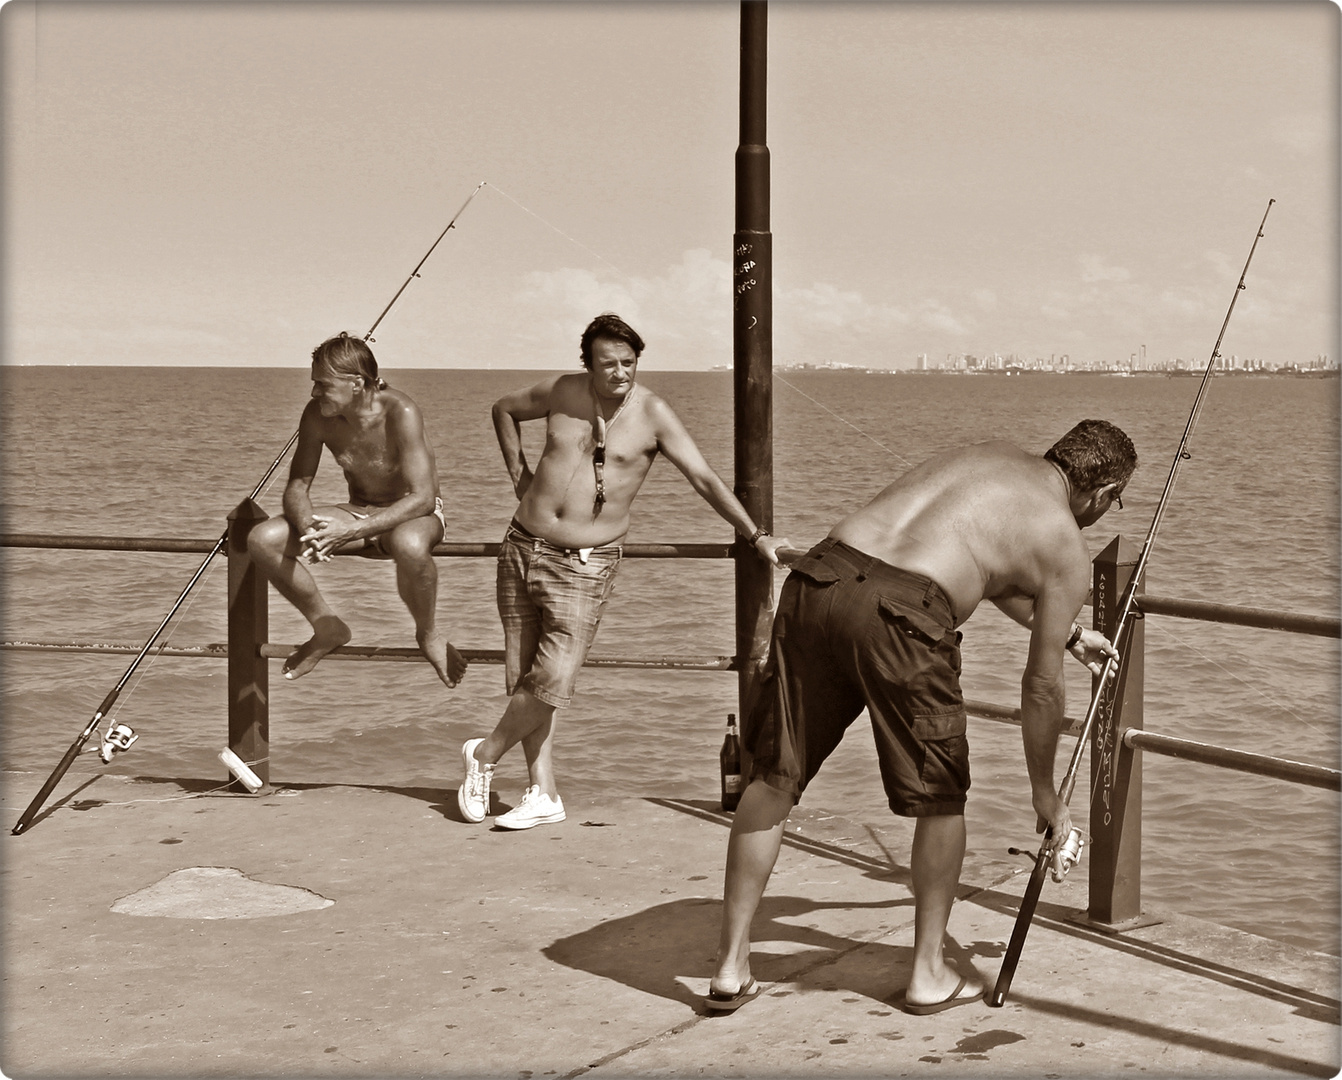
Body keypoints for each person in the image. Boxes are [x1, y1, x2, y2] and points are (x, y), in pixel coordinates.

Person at [706, 419, 1135, 1015]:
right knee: (941, 800)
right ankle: (928, 974)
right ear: (1103, 492)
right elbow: (1040, 689)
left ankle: (730, 968)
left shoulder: (989, 451)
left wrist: (1069, 635)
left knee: (774, 778)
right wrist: (1047, 796)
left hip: (819, 578)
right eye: (1116, 503)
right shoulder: (1065, 541)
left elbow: (979, 567)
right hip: (902, 618)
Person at [457, 313, 789, 830]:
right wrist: (518, 474)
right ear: (587, 364)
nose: (620, 373)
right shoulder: (562, 391)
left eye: (629, 363)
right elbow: (502, 409)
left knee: (552, 679)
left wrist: (757, 535)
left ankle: (483, 754)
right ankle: (542, 793)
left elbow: (703, 478)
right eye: (608, 363)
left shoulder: (654, 413)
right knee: (524, 677)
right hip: (521, 546)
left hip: (584, 565)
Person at [248, 332, 468, 688]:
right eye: (314, 384)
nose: (314, 393)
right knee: (262, 539)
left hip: (413, 515)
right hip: (359, 511)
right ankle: (326, 626)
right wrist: (311, 531)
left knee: (409, 544)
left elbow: (423, 498)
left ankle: (427, 633)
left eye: (322, 384)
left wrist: (349, 532)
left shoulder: (402, 411)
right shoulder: (317, 415)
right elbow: (297, 487)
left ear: (356, 383)